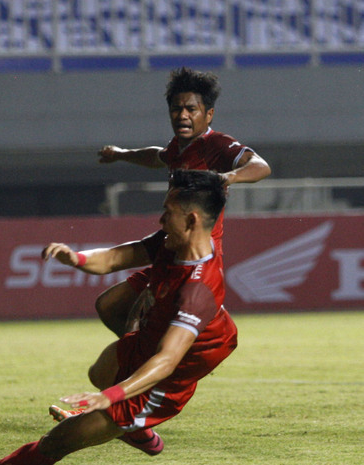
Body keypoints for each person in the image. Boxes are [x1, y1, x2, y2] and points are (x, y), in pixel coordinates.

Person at [0, 169, 237, 465]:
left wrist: (111, 396)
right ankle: (135, 432)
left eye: (167, 212)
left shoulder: (198, 289)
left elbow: (167, 361)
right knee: (99, 371)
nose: (160, 219)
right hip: (152, 336)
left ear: (192, 220)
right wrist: (76, 258)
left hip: (165, 382)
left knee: (57, 441)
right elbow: (114, 258)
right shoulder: (173, 241)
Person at [95, 67, 271, 338]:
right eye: (176, 109)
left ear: (208, 114)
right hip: (168, 252)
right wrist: (121, 154)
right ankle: (146, 362)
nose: (183, 115)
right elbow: (157, 156)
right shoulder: (178, 148)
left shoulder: (217, 145)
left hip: (193, 262)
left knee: (134, 321)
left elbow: (261, 166)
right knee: (109, 306)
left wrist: (228, 177)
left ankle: (151, 366)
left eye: (191, 109)